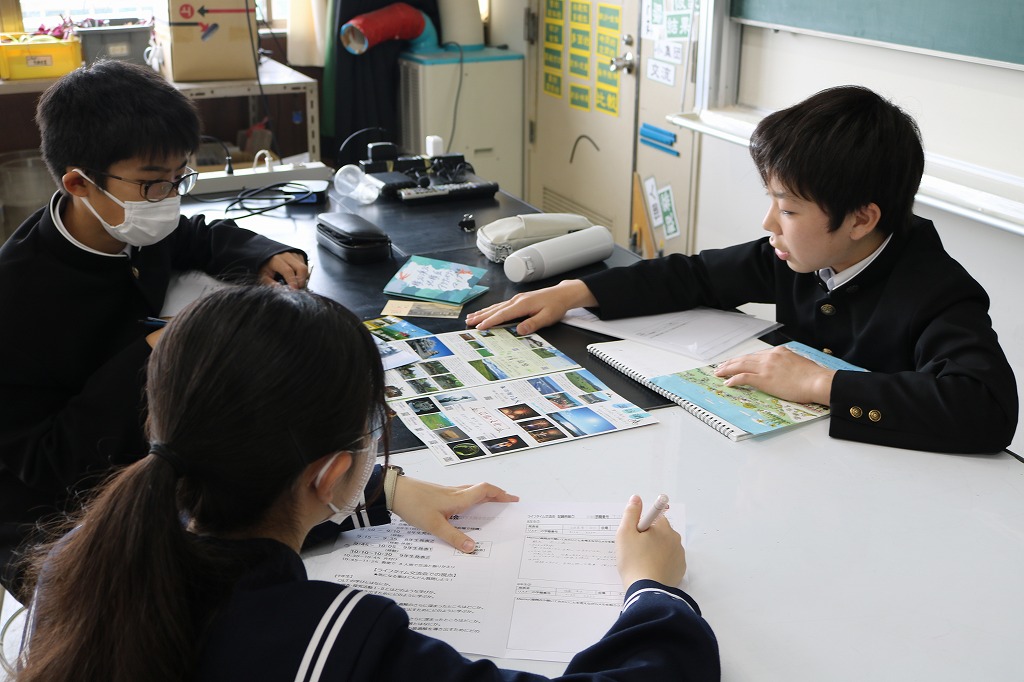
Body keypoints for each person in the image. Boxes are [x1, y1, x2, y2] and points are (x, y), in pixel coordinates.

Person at [14, 286, 720, 682]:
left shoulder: (82, 560)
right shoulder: (331, 642)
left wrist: (381, 492)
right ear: (327, 475)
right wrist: (654, 591)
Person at [468, 85, 1018, 455]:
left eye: (789, 209)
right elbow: (696, 276)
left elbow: (988, 410)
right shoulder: (800, 255)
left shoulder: (936, 291)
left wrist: (821, 383)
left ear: (861, 218)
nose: (769, 223)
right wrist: (576, 291)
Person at [0, 59, 309, 598]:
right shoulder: (16, 297)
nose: (168, 198)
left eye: (178, 177)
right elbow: (45, 462)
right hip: (58, 522)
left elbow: (194, 235)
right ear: (78, 182)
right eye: (151, 183)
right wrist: (151, 351)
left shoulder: (131, 223)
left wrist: (264, 254)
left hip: (152, 462)